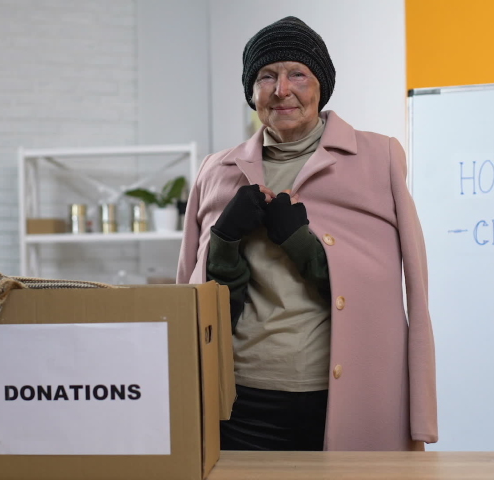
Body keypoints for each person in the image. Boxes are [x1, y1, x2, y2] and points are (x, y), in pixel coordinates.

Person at [176, 16, 437, 452]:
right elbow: (192, 300)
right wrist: (224, 239)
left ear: (321, 85)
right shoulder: (214, 171)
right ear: (251, 91)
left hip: (347, 393)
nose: (282, 90)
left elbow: (393, 288)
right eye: (266, 76)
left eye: (297, 73)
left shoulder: (378, 157)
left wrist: (298, 240)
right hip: (239, 396)